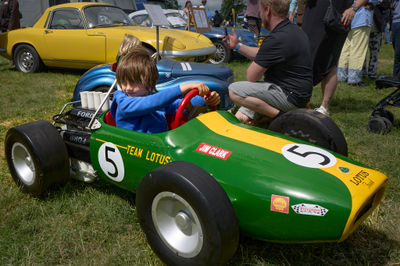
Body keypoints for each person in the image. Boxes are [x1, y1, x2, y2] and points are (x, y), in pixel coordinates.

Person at [225, 0, 313, 124]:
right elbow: (264, 53)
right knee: (241, 117)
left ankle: (280, 116)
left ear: (268, 10)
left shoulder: (276, 38)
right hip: (300, 96)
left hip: (288, 96)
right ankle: (266, 117)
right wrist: (237, 46)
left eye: (260, 11)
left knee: (234, 90)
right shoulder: (295, 31)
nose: (260, 16)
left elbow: (252, 76)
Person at [110, 48, 220, 133]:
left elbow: (178, 105)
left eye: (134, 82)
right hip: (134, 149)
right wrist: (182, 87)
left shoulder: (152, 97)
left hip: (159, 146)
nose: (128, 88)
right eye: (124, 82)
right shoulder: (123, 101)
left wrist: (204, 100)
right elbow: (149, 103)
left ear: (149, 81)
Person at [301, 0, 368, 116]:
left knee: (329, 62)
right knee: (306, 56)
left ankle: (325, 106)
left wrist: (353, 8)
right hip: (313, 12)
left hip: (335, 16)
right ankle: (303, 101)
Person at [337, 2, 374, 86]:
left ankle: (341, 76)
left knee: (346, 49)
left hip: (348, 19)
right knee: (358, 50)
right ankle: (354, 79)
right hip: (362, 18)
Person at [392, 0, 400, 76]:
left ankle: (396, 77)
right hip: (395, 22)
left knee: (398, 54)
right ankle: (396, 77)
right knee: (397, 52)